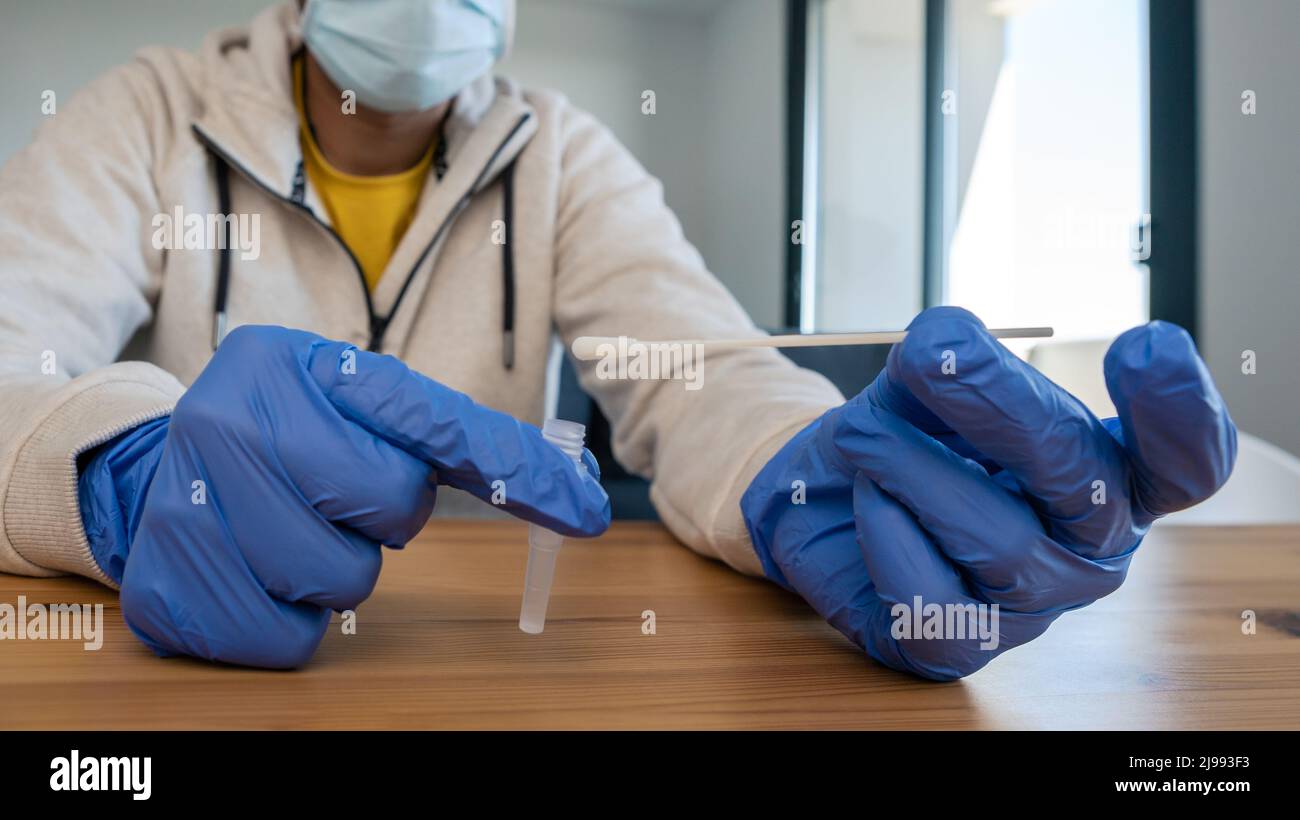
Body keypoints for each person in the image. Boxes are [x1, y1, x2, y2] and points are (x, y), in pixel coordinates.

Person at [0, 0, 1236, 678]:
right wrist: (115, 472)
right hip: (177, 671)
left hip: (474, 681)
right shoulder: (148, 116)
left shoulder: (559, 151)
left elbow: (692, 364)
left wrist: (802, 465)